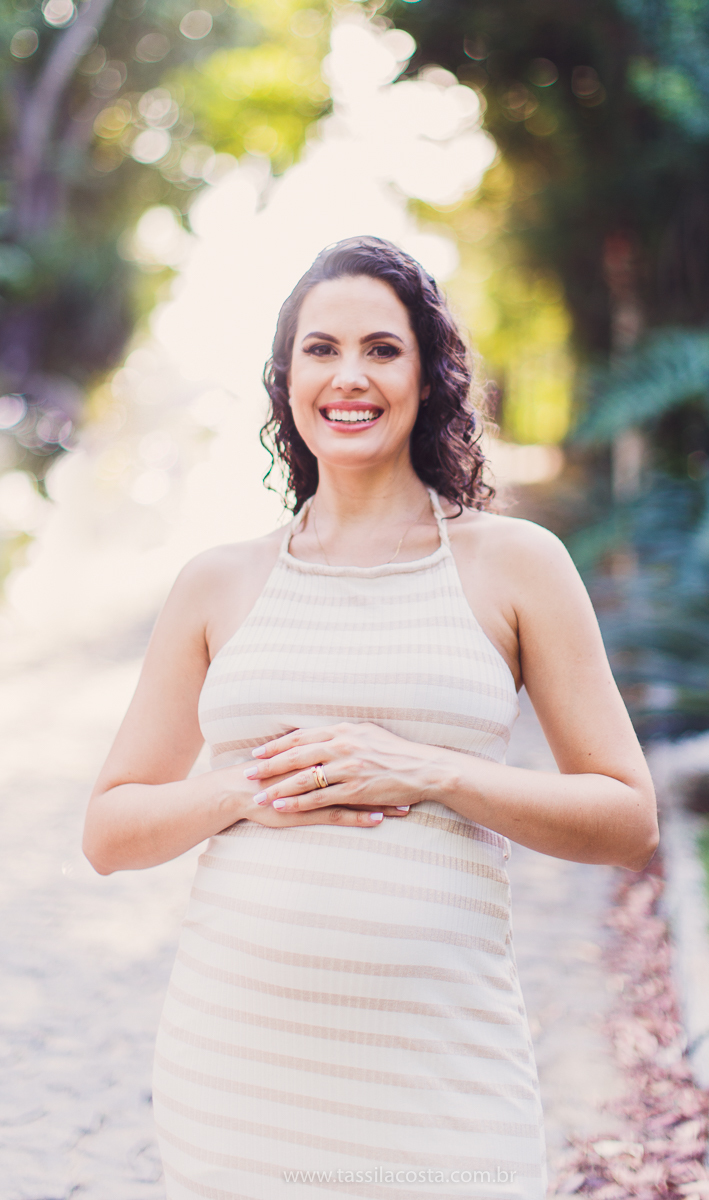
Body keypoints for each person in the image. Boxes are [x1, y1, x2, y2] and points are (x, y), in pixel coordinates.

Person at [83, 235, 658, 1200]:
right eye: (321, 349)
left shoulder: (515, 564)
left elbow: (627, 817)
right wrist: (242, 791)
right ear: (285, 378)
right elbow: (109, 832)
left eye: (383, 350)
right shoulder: (218, 583)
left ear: (429, 377)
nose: (350, 376)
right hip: (238, 1083)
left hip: (444, 1082)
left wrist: (430, 771)